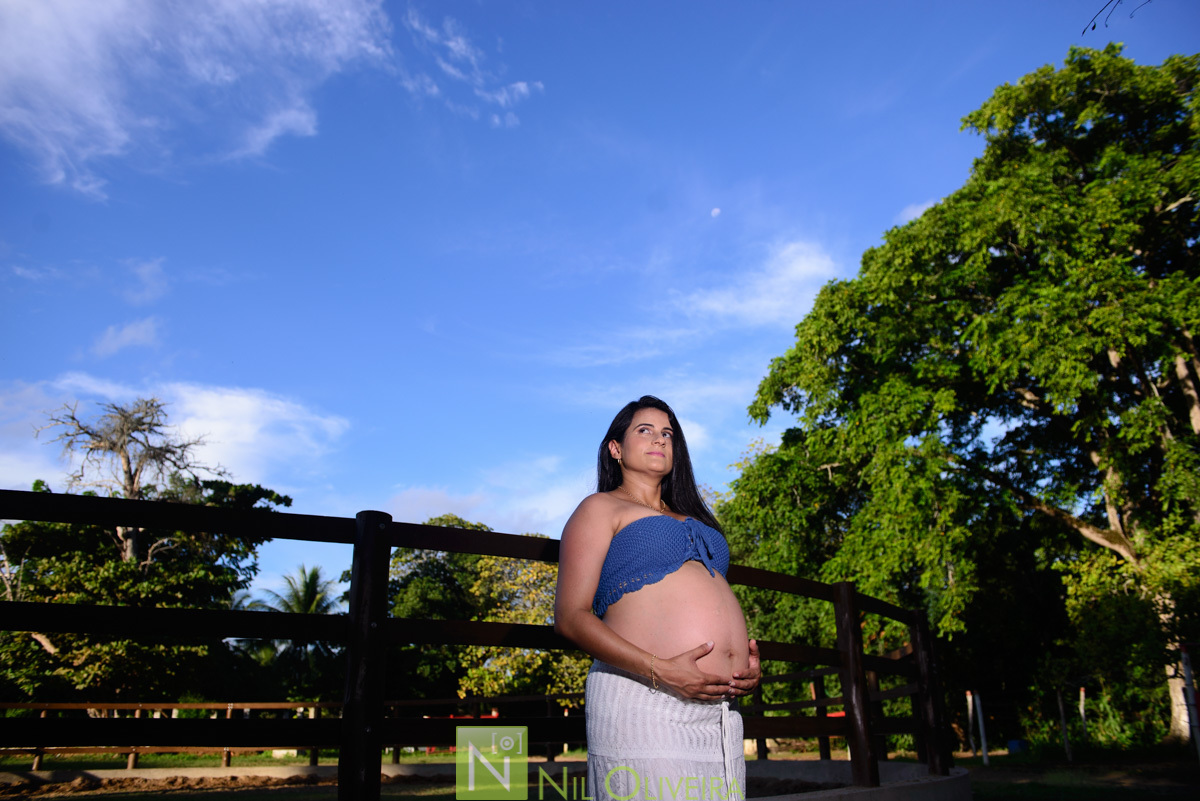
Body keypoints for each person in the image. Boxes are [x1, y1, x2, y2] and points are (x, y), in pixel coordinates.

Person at [554, 395, 760, 801]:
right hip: (646, 699)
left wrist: (742, 667)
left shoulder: (694, 517)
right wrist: (660, 670)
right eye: (644, 430)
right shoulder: (600, 508)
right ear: (616, 448)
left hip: (721, 712)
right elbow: (570, 617)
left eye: (668, 433)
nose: (660, 439)